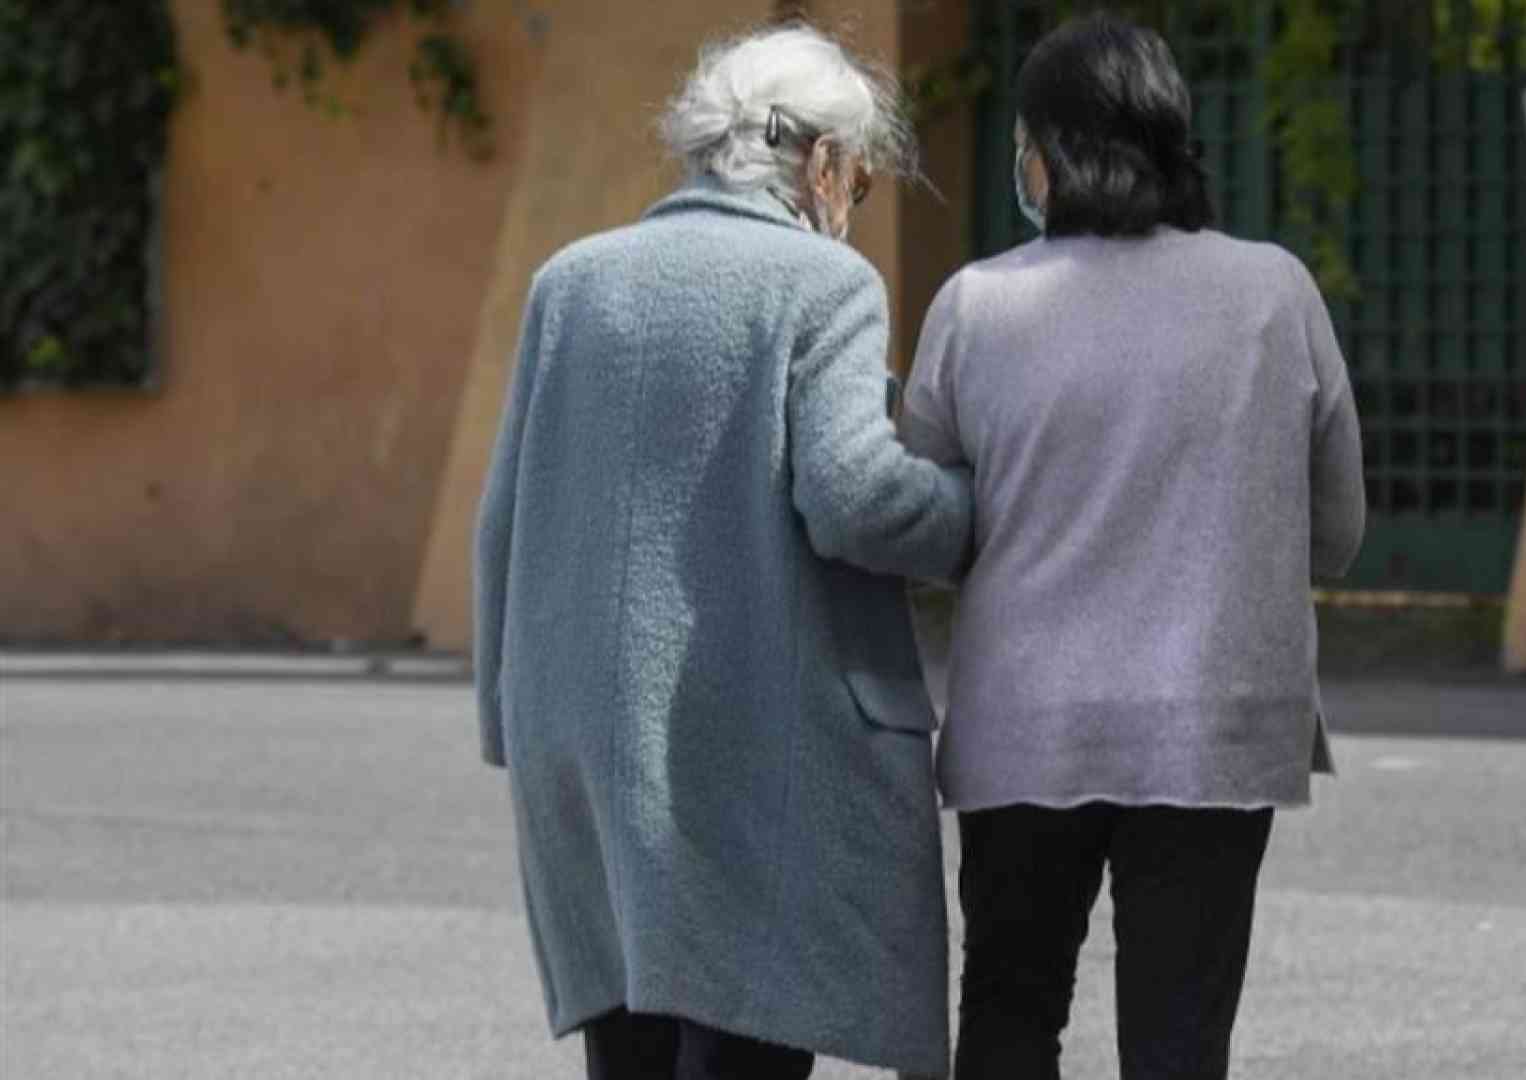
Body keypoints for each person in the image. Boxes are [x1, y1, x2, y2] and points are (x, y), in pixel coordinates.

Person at [471, 23, 970, 1080]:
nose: (853, 202)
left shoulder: (571, 281)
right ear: (822, 163)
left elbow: (502, 516)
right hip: (747, 726)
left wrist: (502, 712)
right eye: (860, 180)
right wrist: (971, 511)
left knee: (629, 1036)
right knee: (750, 1026)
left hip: (575, 728)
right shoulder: (821, 284)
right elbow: (854, 501)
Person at [899, 13, 1367, 1080]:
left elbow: (927, 526)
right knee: (1180, 1039)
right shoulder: (1274, 292)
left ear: (1049, 151)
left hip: (1024, 729)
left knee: (1010, 1010)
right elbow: (1337, 532)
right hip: (1214, 728)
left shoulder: (976, 306)